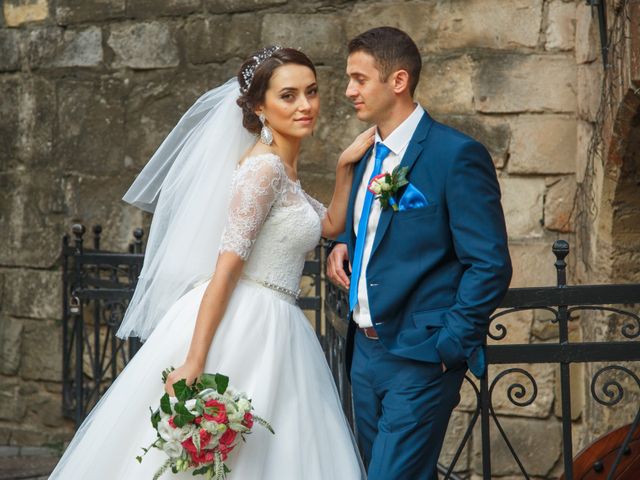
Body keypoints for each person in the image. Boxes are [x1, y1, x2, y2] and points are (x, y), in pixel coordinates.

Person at [49, 47, 372, 479]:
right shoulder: (264, 171)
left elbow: (329, 223)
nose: (306, 106)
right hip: (247, 321)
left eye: (311, 92)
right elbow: (226, 268)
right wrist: (195, 360)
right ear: (260, 107)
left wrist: (343, 167)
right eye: (289, 96)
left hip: (282, 324)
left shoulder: (284, 171)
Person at [326, 27, 512, 479]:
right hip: (364, 358)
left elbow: (489, 263)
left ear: (398, 81)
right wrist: (342, 244)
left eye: (359, 79)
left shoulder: (456, 155)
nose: (348, 91)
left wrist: (449, 344)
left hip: (421, 355)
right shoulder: (366, 154)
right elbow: (375, 226)